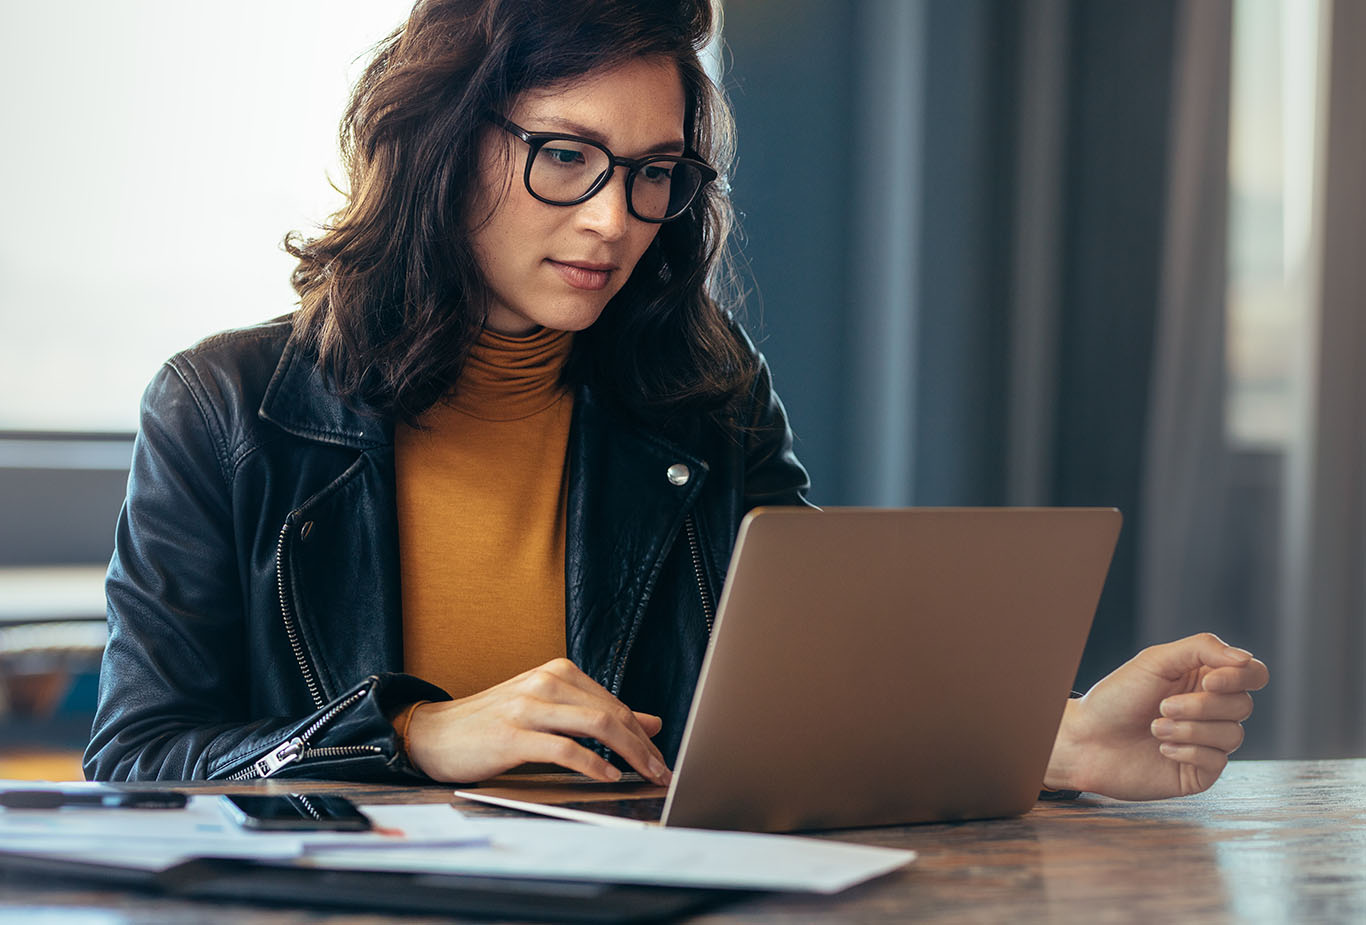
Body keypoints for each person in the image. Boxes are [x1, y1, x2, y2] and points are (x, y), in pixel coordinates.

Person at [84, 0, 1268, 800]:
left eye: (654, 173)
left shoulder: (702, 387)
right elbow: (137, 759)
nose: (613, 218)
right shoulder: (227, 408)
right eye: (565, 155)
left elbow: (809, 695)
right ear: (439, 141)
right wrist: (409, 737)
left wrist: (1053, 739)